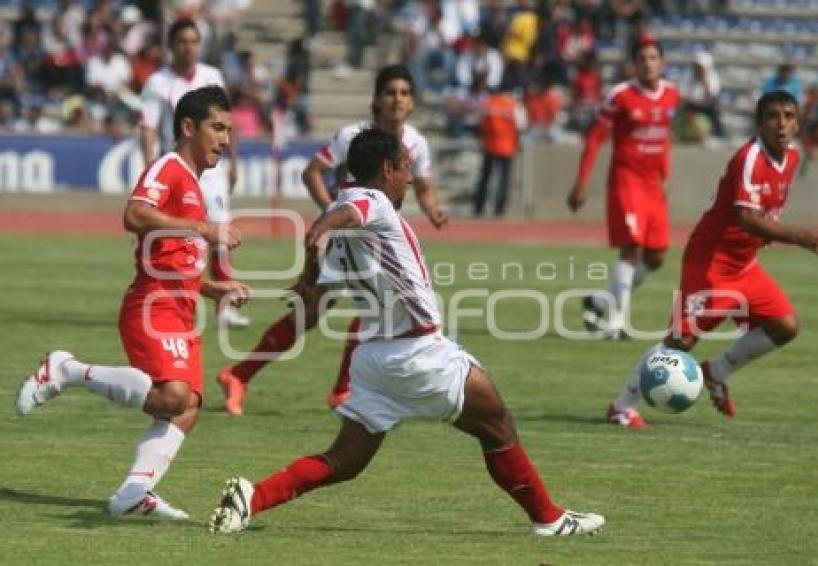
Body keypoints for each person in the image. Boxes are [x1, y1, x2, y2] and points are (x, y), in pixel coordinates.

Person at [208, 127, 605, 536]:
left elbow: (326, 261)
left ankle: (252, 498)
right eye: (405, 168)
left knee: (345, 461)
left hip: (373, 359)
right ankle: (549, 519)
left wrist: (310, 272)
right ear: (386, 169)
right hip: (416, 354)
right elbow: (338, 218)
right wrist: (315, 237)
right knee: (498, 423)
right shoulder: (372, 202)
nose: (410, 178)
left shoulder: (349, 225)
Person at [16, 85, 252, 518]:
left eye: (229, 130)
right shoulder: (170, 166)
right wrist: (203, 229)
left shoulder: (195, 184)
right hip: (153, 304)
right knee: (173, 397)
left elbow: (175, 263)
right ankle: (67, 370)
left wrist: (214, 289)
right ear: (187, 127)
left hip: (180, 306)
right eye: (217, 128)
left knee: (187, 409)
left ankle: (134, 492)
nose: (226, 139)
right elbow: (134, 214)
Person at [217, 64, 448, 416]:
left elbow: (426, 189)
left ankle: (245, 375)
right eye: (390, 93)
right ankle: (269, 379)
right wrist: (332, 213)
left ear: (413, 103)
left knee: (350, 308)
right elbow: (312, 172)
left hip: (377, 240)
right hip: (345, 236)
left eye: (404, 93)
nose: (397, 100)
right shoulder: (353, 136)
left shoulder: (417, 143)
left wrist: (433, 211)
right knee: (339, 309)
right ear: (376, 100)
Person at [606, 91, 818, 428]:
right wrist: (800, 237)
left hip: (744, 263)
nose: (782, 123)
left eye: (789, 116)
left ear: (798, 122)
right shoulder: (750, 158)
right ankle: (622, 405)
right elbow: (745, 217)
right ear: (760, 123)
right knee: (680, 342)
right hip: (711, 260)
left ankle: (716, 371)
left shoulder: (792, 157)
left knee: (785, 326)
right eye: (773, 116)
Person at [567, 37, 679, 341]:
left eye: (654, 57)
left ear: (662, 62)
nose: (648, 63)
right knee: (631, 248)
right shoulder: (620, 96)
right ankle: (617, 324)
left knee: (656, 257)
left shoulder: (671, 94)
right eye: (642, 58)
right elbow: (595, 139)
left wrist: (666, 174)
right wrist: (581, 182)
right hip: (626, 181)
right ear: (634, 64)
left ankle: (599, 300)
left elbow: (665, 138)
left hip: (654, 185)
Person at [140, 18, 248, 328]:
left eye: (193, 41)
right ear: (171, 46)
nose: (188, 48)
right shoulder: (157, 82)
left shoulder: (211, 76)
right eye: (182, 42)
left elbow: (227, 122)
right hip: (177, 163)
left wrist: (234, 161)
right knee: (178, 234)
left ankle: (224, 306)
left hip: (212, 169)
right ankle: (171, 293)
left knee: (220, 233)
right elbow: (148, 127)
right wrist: (150, 164)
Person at [474, 78, 526, 216]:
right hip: (507, 147)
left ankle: (479, 207)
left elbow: (481, 122)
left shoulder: (490, 103)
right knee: (503, 180)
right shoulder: (515, 105)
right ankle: (499, 210)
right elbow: (521, 126)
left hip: (490, 145)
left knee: (485, 178)